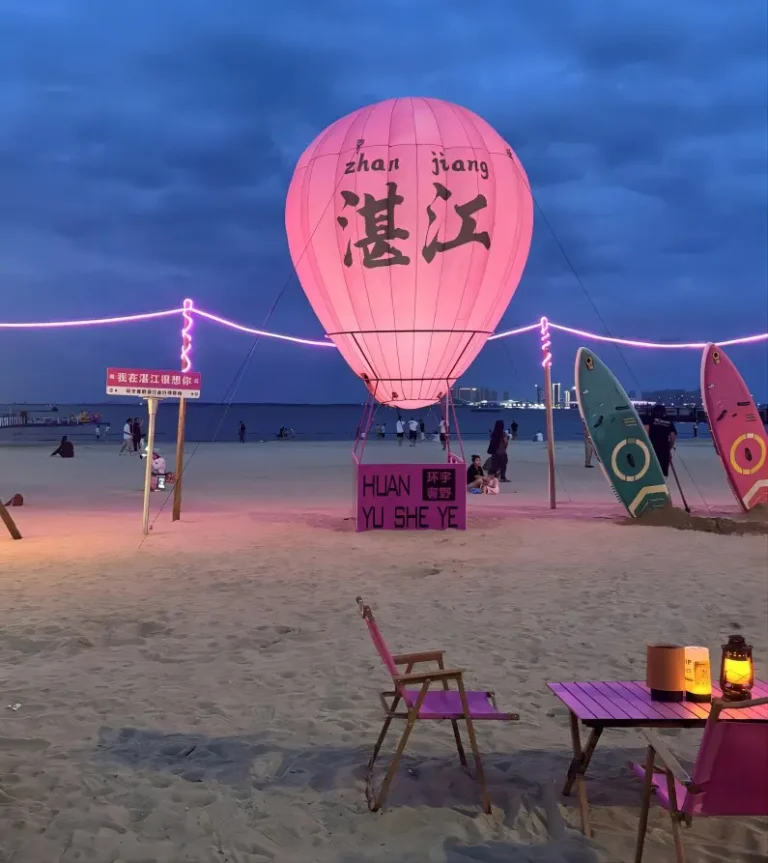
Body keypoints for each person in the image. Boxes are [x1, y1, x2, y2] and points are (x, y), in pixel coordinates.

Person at [644, 404, 677, 478]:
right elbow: (673, 435)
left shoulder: (649, 419)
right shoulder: (668, 421)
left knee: (650, 472)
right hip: (664, 448)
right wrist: (668, 448)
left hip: (651, 448)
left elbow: (646, 432)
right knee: (662, 474)